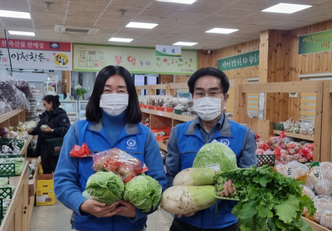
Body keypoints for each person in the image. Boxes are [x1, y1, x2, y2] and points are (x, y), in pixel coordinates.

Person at [54, 65, 167, 231]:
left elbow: (159, 182)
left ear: (130, 96)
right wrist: (82, 203)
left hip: (131, 227)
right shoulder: (78, 131)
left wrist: (138, 212)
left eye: (121, 90)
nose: (114, 95)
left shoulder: (145, 135)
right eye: (107, 90)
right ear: (98, 94)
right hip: (86, 226)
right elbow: (63, 179)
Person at [166, 67, 257, 231]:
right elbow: (171, 175)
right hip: (185, 224)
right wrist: (177, 205)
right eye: (200, 93)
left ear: (225, 97)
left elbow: (250, 181)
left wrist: (237, 189)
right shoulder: (178, 133)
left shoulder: (243, 135)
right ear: (193, 97)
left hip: (226, 224)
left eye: (213, 93)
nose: (206, 98)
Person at [28, 95, 70, 173]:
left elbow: (66, 130)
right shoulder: (45, 115)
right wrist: (32, 131)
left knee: (56, 170)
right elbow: (40, 128)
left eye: (45, 104)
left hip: (55, 150)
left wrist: (52, 130)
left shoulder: (61, 115)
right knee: (46, 170)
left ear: (51, 103)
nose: (44, 107)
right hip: (44, 150)